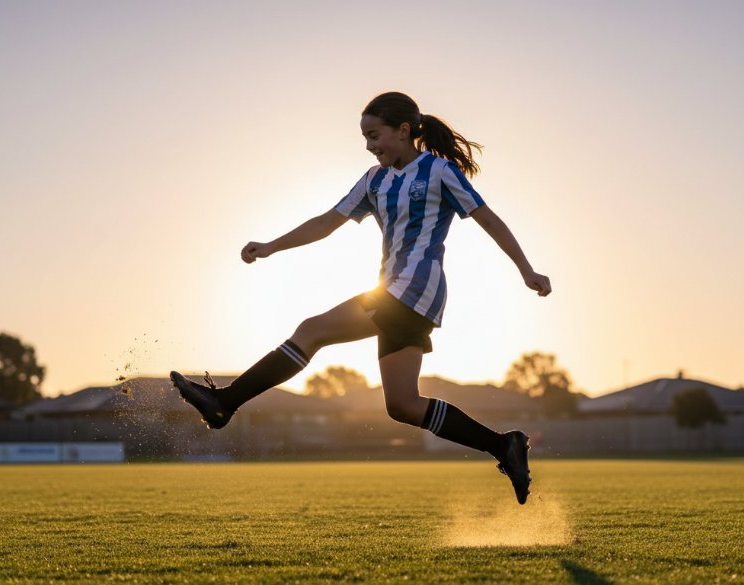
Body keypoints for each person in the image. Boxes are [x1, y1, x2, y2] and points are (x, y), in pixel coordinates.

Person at [171, 91, 551, 504]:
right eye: (365, 139)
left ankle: (224, 402)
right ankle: (504, 445)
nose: (370, 146)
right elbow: (326, 222)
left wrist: (526, 270)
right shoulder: (375, 180)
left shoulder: (439, 171)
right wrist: (271, 246)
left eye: (375, 135)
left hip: (414, 288)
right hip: (393, 291)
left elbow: (488, 218)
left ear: (403, 131)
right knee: (403, 405)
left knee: (313, 330)